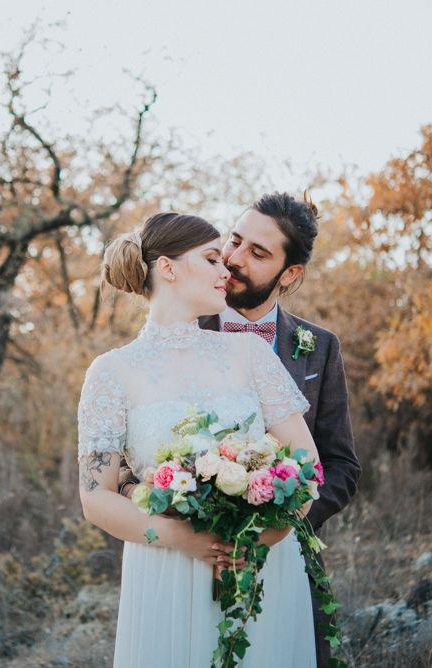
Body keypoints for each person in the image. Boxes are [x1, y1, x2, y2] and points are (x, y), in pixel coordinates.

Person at [118, 193, 361, 667]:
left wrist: (272, 524)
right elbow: (130, 466)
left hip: (283, 555)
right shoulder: (176, 328)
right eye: (234, 241)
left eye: (258, 253)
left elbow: (340, 465)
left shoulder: (319, 348)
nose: (233, 259)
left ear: (289, 274)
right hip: (183, 562)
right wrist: (180, 515)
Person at [78, 212, 320, 667]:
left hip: (261, 565)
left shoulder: (249, 354)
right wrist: (180, 538)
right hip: (166, 569)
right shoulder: (112, 373)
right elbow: (96, 498)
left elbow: (308, 463)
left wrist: (264, 534)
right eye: (211, 259)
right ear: (167, 268)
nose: (225, 270)